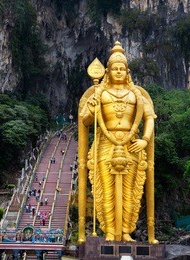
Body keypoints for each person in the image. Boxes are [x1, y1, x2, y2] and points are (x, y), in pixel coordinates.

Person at [78, 41, 157, 243]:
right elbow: (85, 120)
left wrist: (145, 140)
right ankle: (110, 231)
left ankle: (126, 231)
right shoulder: (100, 93)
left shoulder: (137, 95)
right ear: (108, 71)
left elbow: (149, 118)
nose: (119, 72)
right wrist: (93, 107)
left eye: (122, 68)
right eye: (115, 69)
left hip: (132, 144)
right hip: (106, 144)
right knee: (106, 190)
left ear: (127, 71)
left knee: (130, 191)